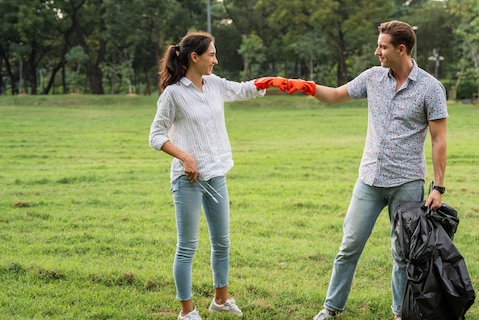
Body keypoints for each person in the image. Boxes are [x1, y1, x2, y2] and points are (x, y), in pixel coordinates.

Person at [288, 20, 448, 320]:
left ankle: (400, 313)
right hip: (369, 180)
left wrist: (438, 187)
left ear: (401, 49)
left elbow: (439, 139)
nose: (377, 52)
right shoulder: (373, 78)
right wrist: (304, 86)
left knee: (402, 254)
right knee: (349, 246)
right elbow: (335, 95)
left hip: (407, 182)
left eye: (383, 46)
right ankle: (330, 309)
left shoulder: (430, 88)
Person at [148, 32, 289, 320]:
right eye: (211, 54)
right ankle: (187, 312)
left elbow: (243, 89)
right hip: (187, 180)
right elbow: (155, 136)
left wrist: (271, 81)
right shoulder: (174, 93)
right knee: (187, 246)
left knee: (222, 242)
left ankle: (220, 300)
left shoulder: (214, 85)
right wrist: (185, 157)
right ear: (194, 57)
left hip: (216, 174)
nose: (216, 59)